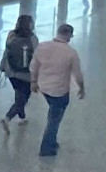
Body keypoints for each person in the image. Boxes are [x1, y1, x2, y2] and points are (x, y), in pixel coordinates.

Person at [30, 22, 85, 157]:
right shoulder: (71, 53)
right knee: (54, 120)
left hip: (43, 87)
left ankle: (52, 140)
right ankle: (46, 148)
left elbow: (34, 66)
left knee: (53, 114)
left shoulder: (42, 46)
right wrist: (81, 88)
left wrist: (33, 81)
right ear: (69, 35)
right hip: (60, 91)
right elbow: (77, 74)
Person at [0, 11, 37, 126]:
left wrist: (2, 66)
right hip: (26, 74)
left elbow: (7, 52)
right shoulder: (33, 38)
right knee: (23, 99)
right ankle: (7, 118)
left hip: (11, 72)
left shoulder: (11, 35)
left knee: (19, 94)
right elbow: (36, 57)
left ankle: (22, 118)